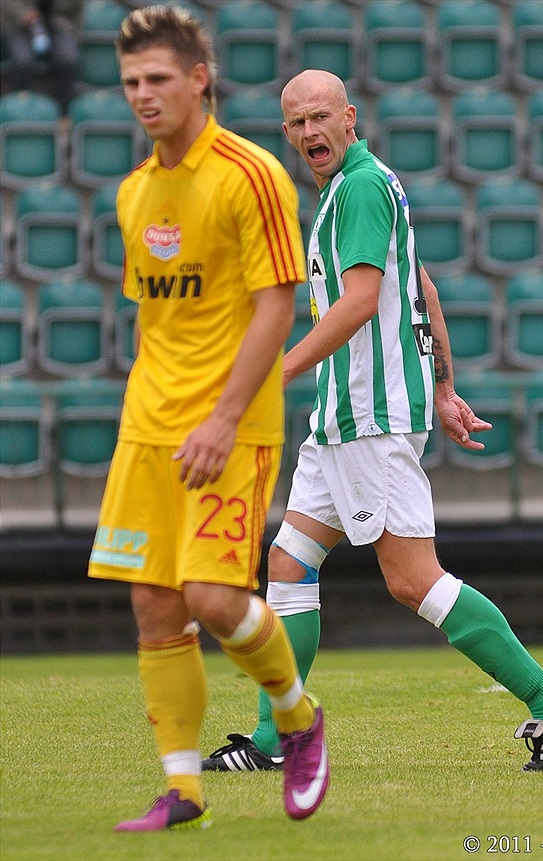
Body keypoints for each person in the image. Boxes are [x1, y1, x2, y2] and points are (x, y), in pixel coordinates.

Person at [203, 69, 543, 777]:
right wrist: (444, 384)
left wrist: (274, 370)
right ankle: (272, 739)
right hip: (342, 419)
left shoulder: (354, 187)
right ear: (287, 133)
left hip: (369, 418)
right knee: (288, 562)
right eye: (297, 123)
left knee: (415, 580)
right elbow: (422, 285)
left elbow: (358, 304)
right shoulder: (363, 185)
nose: (311, 132)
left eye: (322, 117)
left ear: (349, 117)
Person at [87, 7, 329, 831]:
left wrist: (224, 416)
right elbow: (158, 321)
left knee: (215, 598)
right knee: (156, 608)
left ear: (199, 79)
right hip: (148, 430)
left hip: (232, 425)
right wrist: (146, 415)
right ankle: (184, 789)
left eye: (157, 79)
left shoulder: (252, 173)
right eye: (130, 83)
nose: (142, 96)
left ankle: (298, 716)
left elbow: (276, 304)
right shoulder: (134, 192)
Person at [0, 0, 82, 116]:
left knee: (69, 59)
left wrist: (72, 32)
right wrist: (23, 14)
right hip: (17, 26)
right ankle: (18, 111)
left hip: (57, 25)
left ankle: (64, 114)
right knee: (22, 61)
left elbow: (77, 10)